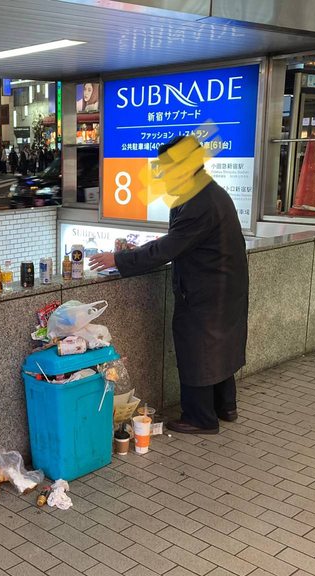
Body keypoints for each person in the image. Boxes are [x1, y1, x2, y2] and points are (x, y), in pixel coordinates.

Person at [89, 135, 248, 435]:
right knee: (219, 346)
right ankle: (225, 406)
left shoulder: (200, 201)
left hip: (207, 290)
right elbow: (178, 240)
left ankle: (200, 417)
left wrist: (119, 259)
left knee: (198, 348)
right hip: (223, 286)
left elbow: (168, 248)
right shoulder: (207, 192)